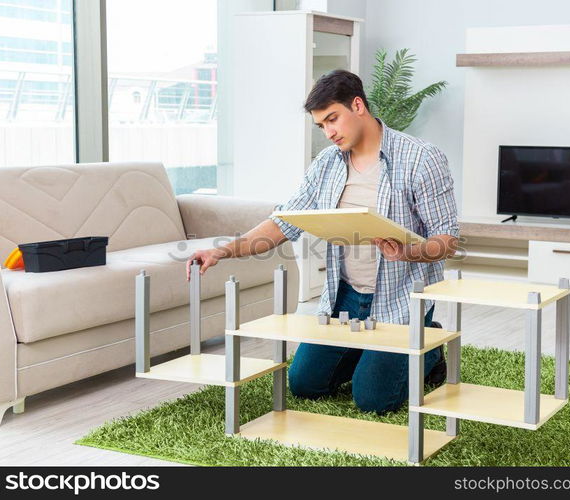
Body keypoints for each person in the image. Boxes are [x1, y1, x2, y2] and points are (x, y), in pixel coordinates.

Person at [186, 69, 459, 414]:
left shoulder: (421, 158)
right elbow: (283, 222)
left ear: (358, 105)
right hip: (345, 298)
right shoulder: (327, 163)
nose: (329, 132)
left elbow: (447, 240)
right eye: (321, 125)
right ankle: (369, 351)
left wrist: (409, 252)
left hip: (400, 299)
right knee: (304, 384)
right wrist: (221, 251)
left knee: (374, 400)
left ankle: (430, 346)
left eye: (333, 119)